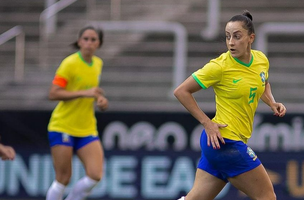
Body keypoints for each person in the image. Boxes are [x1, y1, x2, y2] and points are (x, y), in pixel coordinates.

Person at [174, 10, 286, 200]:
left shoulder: (261, 60)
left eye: (237, 36)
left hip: (219, 145)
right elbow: (181, 91)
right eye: (227, 37)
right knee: (268, 197)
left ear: (251, 38)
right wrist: (206, 123)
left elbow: (262, 82)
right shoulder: (220, 67)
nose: (231, 42)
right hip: (226, 142)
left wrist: (271, 102)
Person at [46, 26, 108, 200]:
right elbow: (53, 93)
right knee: (63, 178)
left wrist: (100, 100)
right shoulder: (69, 63)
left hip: (86, 127)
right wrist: (85, 93)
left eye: (93, 39)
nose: (89, 43)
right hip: (63, 125)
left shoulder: (97, 63)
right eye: (86, 39)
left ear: (99, 43)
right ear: (79, 41)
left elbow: (92, 91)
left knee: (95, 175)